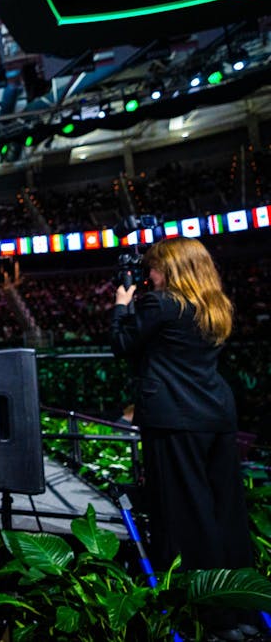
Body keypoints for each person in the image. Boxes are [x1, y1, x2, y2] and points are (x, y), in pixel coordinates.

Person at [111, 237, 255, 640]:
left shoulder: (161, 304)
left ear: (170, 270)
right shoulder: (214, 305)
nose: (148, 276)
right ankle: (241, 609)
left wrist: (122, 302)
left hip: (175, 421)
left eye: (153, 269)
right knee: (226, 515)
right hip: (216, 418)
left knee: (187, 517)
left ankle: (211, 619)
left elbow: (122, 344)